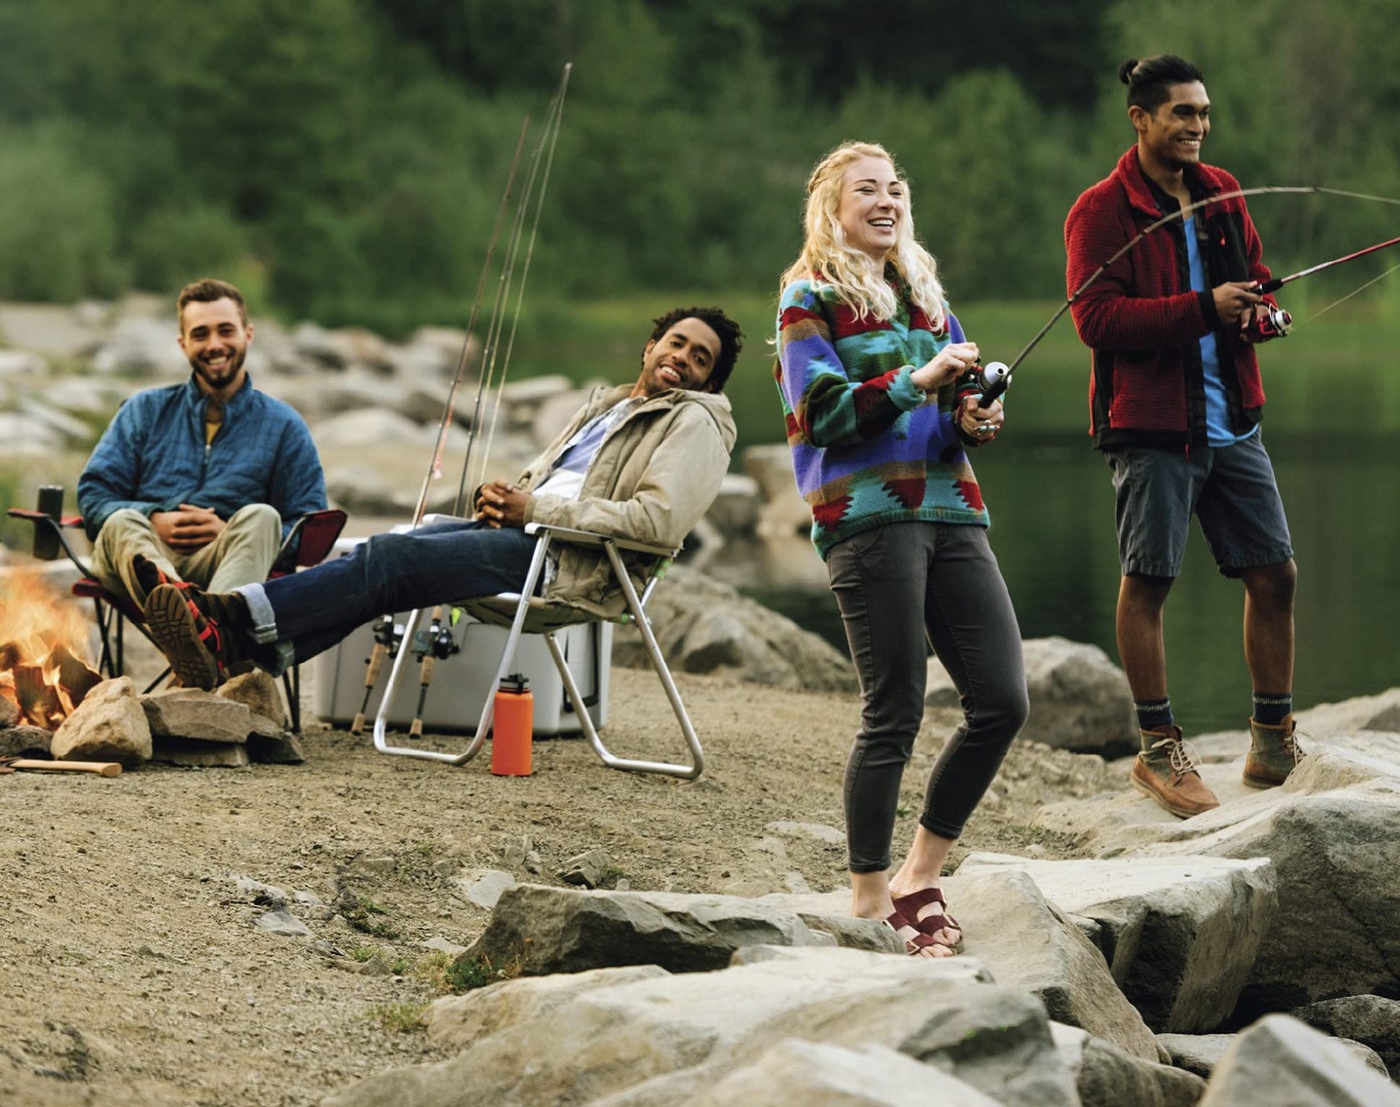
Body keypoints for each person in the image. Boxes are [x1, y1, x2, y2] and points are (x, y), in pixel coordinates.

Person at [142, 307, 743, 690]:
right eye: (677, 342)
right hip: (528, 539)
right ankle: (240, 652)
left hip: (570, 565)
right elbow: (556, 487)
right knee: (386, 550)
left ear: (709, 382)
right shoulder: (608, 407)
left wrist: (531, 510)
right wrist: (504, 496)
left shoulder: (697, 422)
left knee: (395, 564)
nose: (681, 359)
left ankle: (230, 619)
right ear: (650, 346)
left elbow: (657, 522)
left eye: (699, 359)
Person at [775, 142, 1027, 958]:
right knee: (894, 711)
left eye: (894, 189)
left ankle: (921, 874)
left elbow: (956, 412)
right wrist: (916, 384)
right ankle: (868, 897)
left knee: (1001, 700)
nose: (885, 201)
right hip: (867, 516)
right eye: (866, 191)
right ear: (832, 207)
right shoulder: (806, 297)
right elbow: (819, 413)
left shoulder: (925, 294)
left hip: (953, 509)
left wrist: (971, 417)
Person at [1065, 55, 1303, 820]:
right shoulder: (1099, 210)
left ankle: (1270, 741)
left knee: (1276, 575)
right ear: (1140, 118)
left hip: (1231, 419)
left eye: (1202, 113)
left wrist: (1260, 310)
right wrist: (1206, 306)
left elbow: (1254, 275)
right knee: (1149, 582)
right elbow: (1094, 320)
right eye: (1182, 114)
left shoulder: (1224, 192)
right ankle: (1156, 748)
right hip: (1150, 428)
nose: (1197, 126)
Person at [78, 278, 328, 611]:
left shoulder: (284, 425)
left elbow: (307, 527)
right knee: (122, 522)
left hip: (226, 567)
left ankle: (196, 628)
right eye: (200, 334)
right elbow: (94, 497)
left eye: (226, 331)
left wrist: (229, 531)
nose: (214, 344)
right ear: (183, 344)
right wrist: (152, 518)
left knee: (262, 517)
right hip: (139, 562)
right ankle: (199, 628)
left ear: (247, 335)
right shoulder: (143, 411)